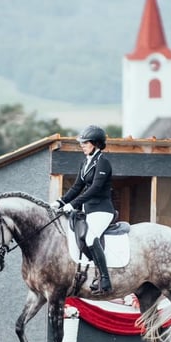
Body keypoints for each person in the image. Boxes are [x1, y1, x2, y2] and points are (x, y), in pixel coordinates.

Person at [50, 125, 115, 295]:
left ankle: (105, 279)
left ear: (95, 143)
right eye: (82, 142)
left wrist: (73, 205)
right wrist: (60, 201)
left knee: (91, 237)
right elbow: (77, 186)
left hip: (102, 210)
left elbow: (94, 189)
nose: (82, 145)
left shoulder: (103, 162)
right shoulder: (85, 162)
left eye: (85, 142)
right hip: (88, 210)